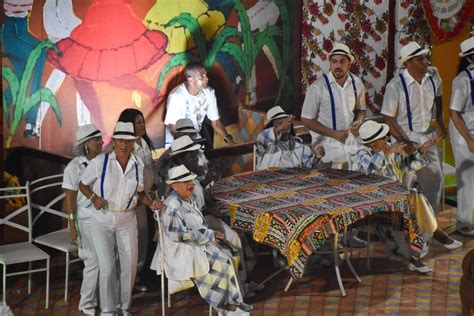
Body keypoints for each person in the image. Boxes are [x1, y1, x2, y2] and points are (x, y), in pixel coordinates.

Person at [356, 120, 462, 272]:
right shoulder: (362, 153)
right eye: (382, 137)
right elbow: (370, 168)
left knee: (415, 198)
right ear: (373, 143)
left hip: (398, 197)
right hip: (375, 199)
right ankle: (436, 234)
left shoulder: (389, 149)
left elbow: (405, 166)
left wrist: (421, 152)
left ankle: (420, 252)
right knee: (414, 199)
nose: (386, 139)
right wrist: (388, 152)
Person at [79, 121, 162, 315]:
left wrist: (152, 203)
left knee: (130, 266)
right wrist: (93, 197)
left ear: (133, 143)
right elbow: (83, 184)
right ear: (114, 142)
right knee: (107, 268)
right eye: (120, 140)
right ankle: (108, 310)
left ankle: (124, 308)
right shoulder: (100, 163)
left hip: (127, 219)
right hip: (102, 219)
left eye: (129, 141)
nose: (125, 145)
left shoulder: (137, 164)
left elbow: (139, 193)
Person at [151, 165, 252, 314]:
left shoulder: (186, 199)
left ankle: (234, 301)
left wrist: (210, 235)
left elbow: (197, 224)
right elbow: (178, 235)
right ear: (174, 186)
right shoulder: (172, 205)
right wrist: (209, 235)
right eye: (185, 182)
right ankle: (226, 308)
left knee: (230, 255)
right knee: (221, 263)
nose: (191, 184)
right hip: (183, 251)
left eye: (190, 181)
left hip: (196, 244)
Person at [381, 41, 446, 214]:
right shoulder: (395, 86)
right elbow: (389, 118)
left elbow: (439, 97)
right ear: (408, 63)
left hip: (426, 137)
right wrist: (406, 142)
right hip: (403, 137)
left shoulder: (433, 75)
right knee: (403, 184)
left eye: (425, 57)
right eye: (420, 59)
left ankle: (429, 226)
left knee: (435, 179)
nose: (426, 61)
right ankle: (398, 224)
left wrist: (440, 122)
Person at [301, 42, 366, 170]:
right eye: (334, 62)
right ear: (330, 63)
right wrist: (334, 134)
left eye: (342, 62)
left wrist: (359, 122)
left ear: (349, 63)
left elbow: (361, 110)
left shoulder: (357, 83)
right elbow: (306, 119)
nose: (338, 66)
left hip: (351, 143)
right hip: (326, 145)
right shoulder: (318, 87)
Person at [62, 124, 103, 315]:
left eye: (100, 139)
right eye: (97, 140)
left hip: (104, 217)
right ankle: (86, 304)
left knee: (107, 261)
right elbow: (69, 199)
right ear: (86, 145)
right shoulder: (74, 167)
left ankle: (103, 299)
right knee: (92, 261)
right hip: (85, 219)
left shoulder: (104, 161)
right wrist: (72, 226)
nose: (102, 142)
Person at [117, 108, 157, 291]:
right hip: (135, 201)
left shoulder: (145, 143)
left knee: (145, 237)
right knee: (134, 239)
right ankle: (129, 279)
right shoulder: (126, 147)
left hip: (147, 197)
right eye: (138, 122)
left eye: (143, 121)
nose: (142, 125)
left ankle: (140, 274)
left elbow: (149, 169)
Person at [164, 61, 236, 147]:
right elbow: (173, 128)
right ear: (190, 79)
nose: (206, 79)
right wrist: (188, 146)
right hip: (177, 142)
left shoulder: (209, 92)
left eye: (206, 75)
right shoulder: (176, 96)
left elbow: (216, 123)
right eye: (201, 76)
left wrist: (229, 140)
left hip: (195, 138)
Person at [449, 36, 474, 236]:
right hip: (462, 132)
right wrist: (468, 139)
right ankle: (463, 223)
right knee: (467, 178)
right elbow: (454, 113)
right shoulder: (462, 80)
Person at [256, 106, 325, 170]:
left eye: (287, 121)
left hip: (291, 180)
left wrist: (317, 157)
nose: (285, 124)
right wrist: (281, 127)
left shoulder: (299, 146)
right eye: (278, 122)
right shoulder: (265, 142)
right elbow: (262, 136)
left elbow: (308, 165)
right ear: (271, 127)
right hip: (267, 180)